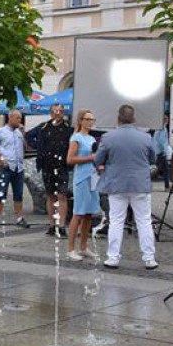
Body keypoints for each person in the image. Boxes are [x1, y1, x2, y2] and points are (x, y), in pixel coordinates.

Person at [93, 104, 157, 269]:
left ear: (118, 119)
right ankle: (149, 258)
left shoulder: (108, 137)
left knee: (116, 221)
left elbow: (98, 159)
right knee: (144, 221)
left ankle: (113, 257)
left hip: (116, 183)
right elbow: (152, 159)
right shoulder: (146, 137)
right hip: (140, 183)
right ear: (134, 118)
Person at [66, 109, 100, 260]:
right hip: (81, 177)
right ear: (81, 121)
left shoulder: (92, 139)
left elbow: (94, 158)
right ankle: (71, 249)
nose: (91, 122)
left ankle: (84, 246)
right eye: (88, 119)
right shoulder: (76, 137)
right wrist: (90, 158)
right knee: (78, 213)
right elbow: (70, 159)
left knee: (88, 214)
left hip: (93, 176)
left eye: (92, 119)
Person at [0, 110, 30, 229]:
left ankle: (19, 217)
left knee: (18, 194)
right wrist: (0, 159)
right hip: (6, 167)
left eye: (20, 118)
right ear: (10, 117)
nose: (19, 121)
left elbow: (26, 147)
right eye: (17, 118)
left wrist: (24, 134)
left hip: (19, 167)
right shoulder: (0, 131)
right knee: (1, 192)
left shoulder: (19, 132)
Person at [39, 104, 73, 237]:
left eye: (59, 112)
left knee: (62, 195)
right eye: (54, 112)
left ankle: (62, 225)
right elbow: (30, 136)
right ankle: (52, 225)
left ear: (63, 113)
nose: (57, 114)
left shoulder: (68, 129)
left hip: (62, 166)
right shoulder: (44, 127)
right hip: (47, 166)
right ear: (50, 113)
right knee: (50, 196)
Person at [153, 115, 172, 189]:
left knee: (165, 169)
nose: (168, 121)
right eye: (167, 120)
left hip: (158, 151)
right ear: (165, 120)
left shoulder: (158, 128)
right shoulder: (163, 128)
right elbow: (162, 141)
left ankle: (167, 186)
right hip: (161, 152)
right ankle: (143, 183)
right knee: (155, 169)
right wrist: (164, 150)